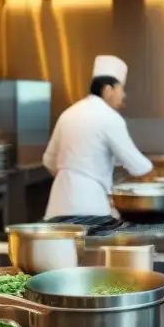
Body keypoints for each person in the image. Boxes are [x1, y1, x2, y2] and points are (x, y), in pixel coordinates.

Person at [43, 55, 152, 219]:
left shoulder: (68, 113)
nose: (123, 96)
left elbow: (49, 161)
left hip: (57, 209)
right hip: (90, 210)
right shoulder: (110, 118)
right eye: (121, 89)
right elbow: (138, 166)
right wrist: (155, 173)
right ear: (108, 89)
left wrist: (72, 175)